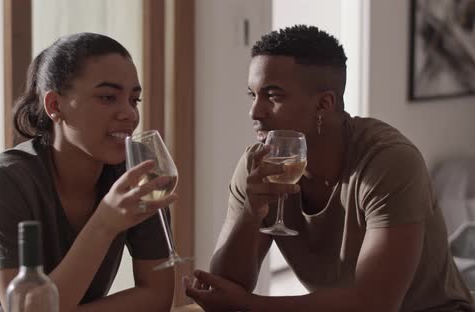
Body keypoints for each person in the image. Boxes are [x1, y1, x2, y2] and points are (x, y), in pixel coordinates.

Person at [184, 25, 474, 311]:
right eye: (253, 95)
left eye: (273, 96)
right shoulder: (259, 165)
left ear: (324, 104)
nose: (254, 112)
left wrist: (251, 305)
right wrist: (251, 213)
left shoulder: (389, 162)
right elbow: (224, 285)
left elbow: (375, 304)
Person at [0, 33, 177, 312]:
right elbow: (26, 308)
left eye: (134, 99)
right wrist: (104, 223)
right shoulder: (5, 181)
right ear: (55, 106)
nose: (129, 114)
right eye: (107, 97)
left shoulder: (134, 178)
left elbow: (157, 296)